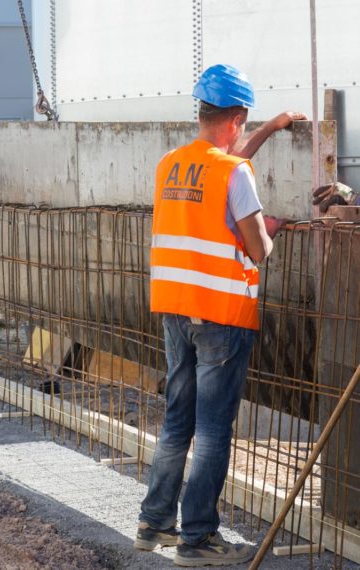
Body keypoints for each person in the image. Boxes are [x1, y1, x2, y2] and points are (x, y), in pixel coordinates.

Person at [134, 64, 307, 566]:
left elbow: (222, 173)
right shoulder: (234, 173)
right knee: (212, 430)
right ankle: (198, 539)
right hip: (221, 316)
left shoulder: (172, 162)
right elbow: (258, 248)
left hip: (175, 309)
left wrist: (270, 130)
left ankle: (155, 524)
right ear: (236, 118)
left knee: (176, 420)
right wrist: (269, 227)